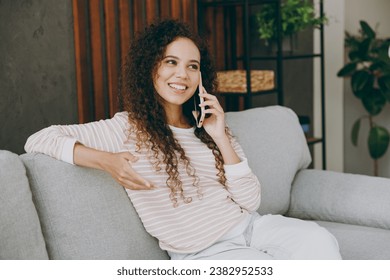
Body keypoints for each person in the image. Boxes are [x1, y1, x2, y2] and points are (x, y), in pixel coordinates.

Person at [25, 19, 341, 260]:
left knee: (321, 241)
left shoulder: (210, 126)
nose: (183, 75)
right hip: (202, 254)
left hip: (251, 228)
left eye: (193, 66)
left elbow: (250, 201)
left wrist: (221, 137)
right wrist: (106, 161)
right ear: (150, 68)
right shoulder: (125, 128)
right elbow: (40, 139)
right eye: (171, 62)